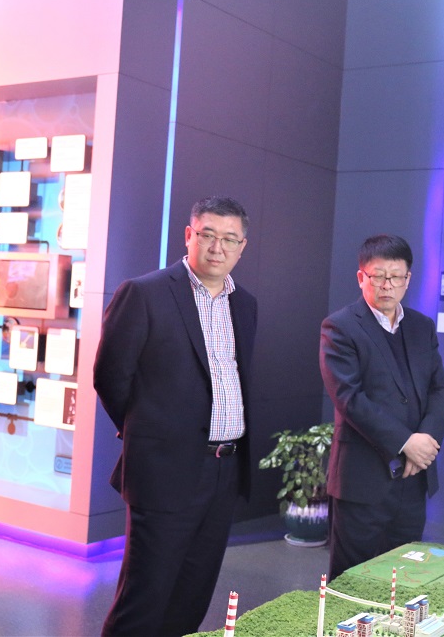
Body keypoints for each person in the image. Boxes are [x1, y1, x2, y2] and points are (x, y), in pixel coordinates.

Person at [93, 197, 257, 636]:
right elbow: (110, 377)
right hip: (164, 470)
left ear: (242, 246)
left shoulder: (245, 304)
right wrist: (148, 433)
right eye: (207, 235)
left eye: (229, 239)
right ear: (189, 235)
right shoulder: (144, 293)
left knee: (192, 597)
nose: (217, 247)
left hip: (224, 470)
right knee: (143, 600)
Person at [319, 234, 444, 580]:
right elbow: (349, 398)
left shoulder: (422, 327)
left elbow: (441, 389)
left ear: (408, 279)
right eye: (378, 276)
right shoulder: (340, 327)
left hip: (413, 479)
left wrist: (425, 442)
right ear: (361, 277)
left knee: (404, 576)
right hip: (362, 480)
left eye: (396, 276)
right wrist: (405, 443)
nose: (387, 285)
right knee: (352, 580)